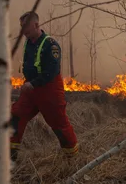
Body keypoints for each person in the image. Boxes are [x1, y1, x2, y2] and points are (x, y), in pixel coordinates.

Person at [10, 11, 79, 161]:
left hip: (49, 90)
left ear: (36, 25)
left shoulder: (51, 45)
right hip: (30, 90)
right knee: (15, 115)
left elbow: (52, 71)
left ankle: (72, 158)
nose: (23, 32)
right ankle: (10, 157)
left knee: (58, 123)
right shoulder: (28, 42)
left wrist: (33, 84)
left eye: (25, 28)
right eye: (21, 27)